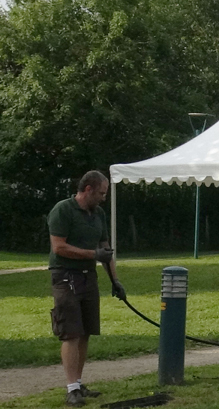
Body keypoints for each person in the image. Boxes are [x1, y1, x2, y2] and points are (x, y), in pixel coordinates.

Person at [48, 170, 125, 407]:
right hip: (65, 277)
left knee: (86, 331)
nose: (104, 197)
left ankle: (79, 384)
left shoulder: (98, 214)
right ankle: (71, 389)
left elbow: (106, 248)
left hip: (88, 277)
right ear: (88, 189)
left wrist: (115, 281)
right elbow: (59, 247)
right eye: (101, 193)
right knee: (71, 331)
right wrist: (93, 254)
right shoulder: (63, 210)